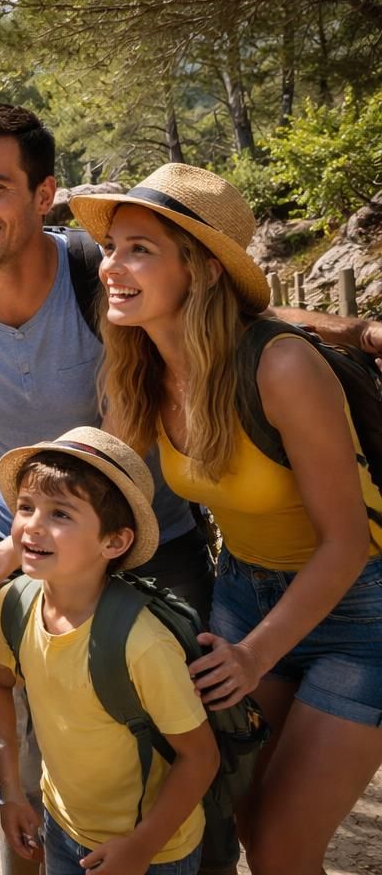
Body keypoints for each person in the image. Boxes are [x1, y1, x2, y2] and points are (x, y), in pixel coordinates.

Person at [0, 103, 211, 875]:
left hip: (155, 545)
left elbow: (224, 329)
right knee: (21, 760)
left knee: (190, 756)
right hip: (21, 550)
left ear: (44, 192)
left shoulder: (105, 279)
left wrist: (352, 334)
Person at [70, 165, 382, 874]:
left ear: (204, 270)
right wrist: (5, 556)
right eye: (111, 247)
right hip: (244, 590)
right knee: (243, 813)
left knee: (280, 845)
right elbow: (100, 475)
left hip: (359, 610)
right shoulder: (142, 365)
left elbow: (346, 542)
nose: (111, 266)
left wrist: (253, 656)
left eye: (138, 249)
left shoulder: (280, 370)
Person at [0, 427, 218, 875]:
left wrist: (142, 846)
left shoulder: (142, 643)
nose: (32, 524)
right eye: (26, 507)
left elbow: (201, 756)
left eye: (61, 514)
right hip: (62, 827)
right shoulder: (15, 604)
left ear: (114, 542)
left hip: (153, 850)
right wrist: (12, 792)